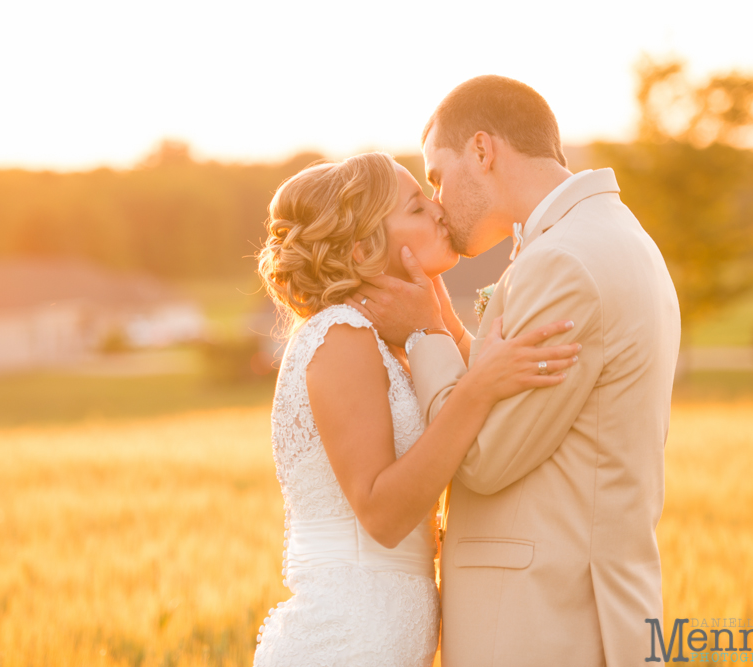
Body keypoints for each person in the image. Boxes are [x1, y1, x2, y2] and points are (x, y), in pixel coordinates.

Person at [348, 75, 682, 666]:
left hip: (543, 623)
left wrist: (425, 332)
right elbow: (522, 400)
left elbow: (482, 456)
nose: (438, 203)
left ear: (482, 150)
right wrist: (449, 323)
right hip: (579, 612)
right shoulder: (612, 238)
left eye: (437, 176)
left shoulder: (564, 263)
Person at [252, 151, 580, 666]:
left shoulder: (382, 342)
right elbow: (382, 513)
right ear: (363, 250)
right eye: (415, 207)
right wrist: (478, 390)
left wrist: (443, 323)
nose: (439, 211)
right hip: (345, 642)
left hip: (382, 638)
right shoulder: (341, 337)